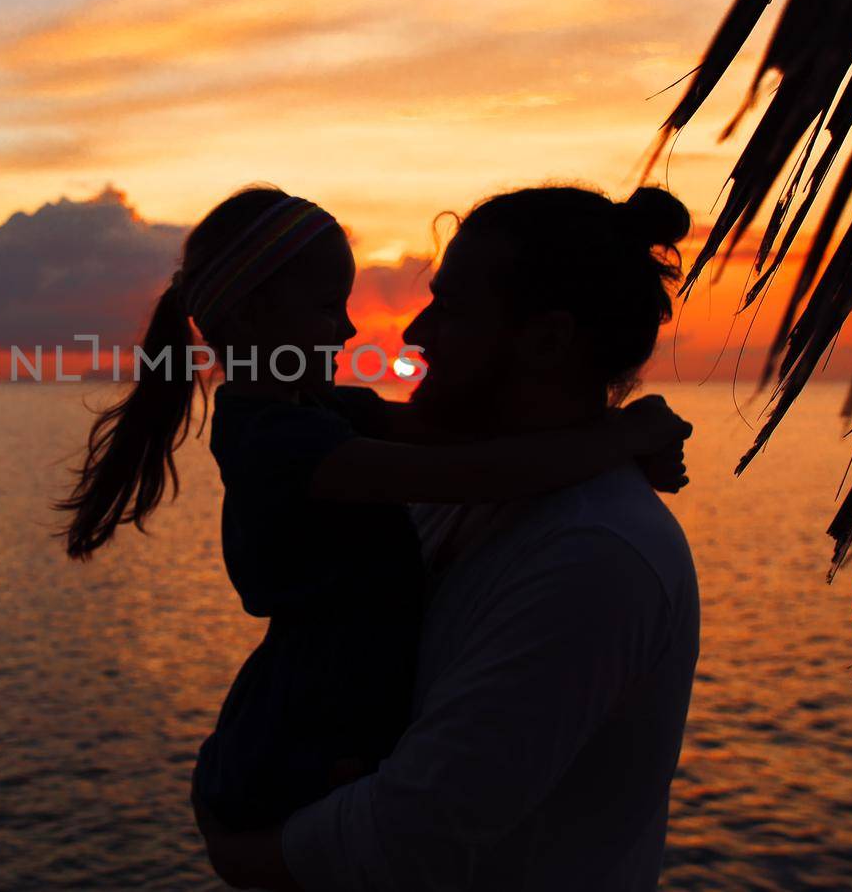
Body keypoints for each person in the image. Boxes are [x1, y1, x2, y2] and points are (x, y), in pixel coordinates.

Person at [57, 184, 693, 837]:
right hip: (309, 710)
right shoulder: (278, 440)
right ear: (252, 316)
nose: (360, 328)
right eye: (329, 306)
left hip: (339, 700)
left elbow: (453, 439)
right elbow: (465, 470)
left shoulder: (332, 413)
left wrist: (624, 438)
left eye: (446, 306)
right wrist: (617, 438)